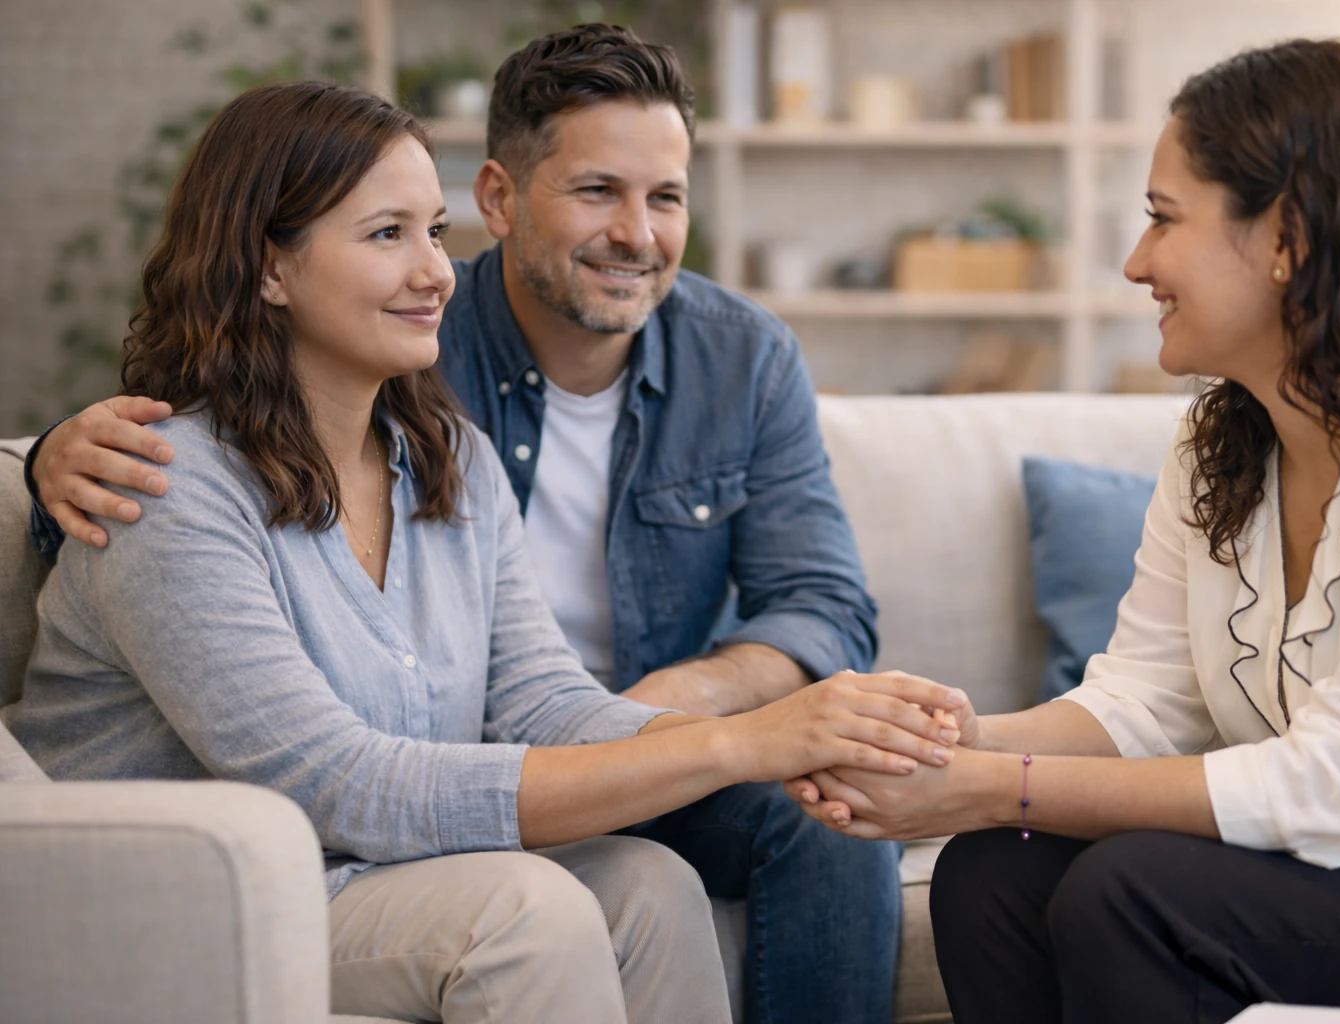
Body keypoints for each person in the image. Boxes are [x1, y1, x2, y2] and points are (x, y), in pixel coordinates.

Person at [3, 80, 970, 1024]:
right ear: (269, 268)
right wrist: (740, 740)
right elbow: (339, 785)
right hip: (183, 890)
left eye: (433, 231)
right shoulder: (163, 487)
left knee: (647, 882)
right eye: (388, 235)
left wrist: (800, 728)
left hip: (371, 871)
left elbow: (544, 704)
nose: (435, 272)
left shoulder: (445, 457)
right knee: (526, 912)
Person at [789, 38, 1340, 1023]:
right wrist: (942, 750)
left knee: (1134, 895)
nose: (1137, 262)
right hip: (1337, 878)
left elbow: (1334, 789)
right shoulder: (1219, 441)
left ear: (1288, 237)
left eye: (1162, 219)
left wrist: (992, 784)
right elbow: (1144, 702)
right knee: (993, 874)